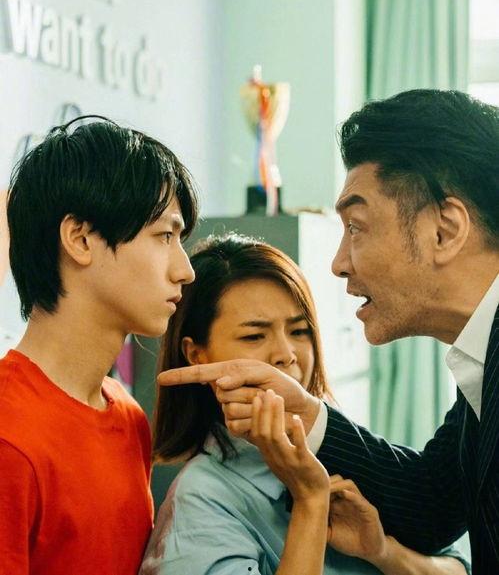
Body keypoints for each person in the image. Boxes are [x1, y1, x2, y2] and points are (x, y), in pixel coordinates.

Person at [159, 90, 499, 574]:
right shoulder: (481, 365)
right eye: (255, 334)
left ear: (444, 231)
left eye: (356, 227)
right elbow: (430, 502)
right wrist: (306, 413)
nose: (338, 264)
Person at [143, 234, 469, 575]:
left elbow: (459, 565)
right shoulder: (202, 499)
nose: (286, 354)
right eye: (254, 336)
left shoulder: (340, 452)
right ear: (197, 355)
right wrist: (311, 501)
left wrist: (383, 552)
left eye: (299, 331)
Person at [0, 116, 198, 575]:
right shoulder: (9, 435)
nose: (185, 270)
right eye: (164, 236)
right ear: (81, 239)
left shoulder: (128, 416)